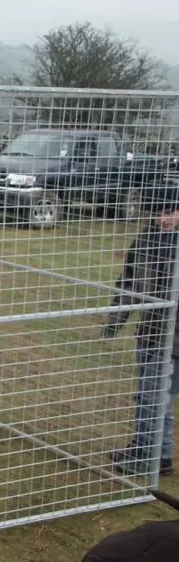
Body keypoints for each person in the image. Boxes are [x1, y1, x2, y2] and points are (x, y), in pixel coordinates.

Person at [110, 183, 179, 477]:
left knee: (156, 396)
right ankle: (156, 452)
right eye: (158, 213)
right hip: (154, 333)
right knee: (152, 395)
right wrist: (114, 321)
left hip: (171, 338)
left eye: (171, 212)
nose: (164, 218)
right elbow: (129, 283)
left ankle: (147, 453)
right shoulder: (147, 240)